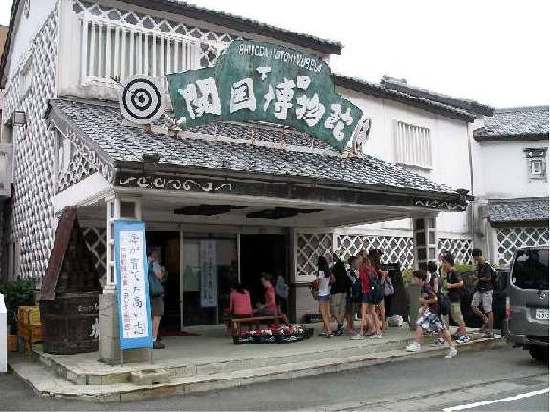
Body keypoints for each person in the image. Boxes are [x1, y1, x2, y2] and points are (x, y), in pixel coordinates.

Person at [406, 270, 457, 359]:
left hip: (433, 310)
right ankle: (452, 348)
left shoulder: (426, 286)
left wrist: (425, 302)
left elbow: (435, 299)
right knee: (443, 328)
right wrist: (424, 308)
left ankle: (416, 344)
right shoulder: (423, 286)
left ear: (420, 279)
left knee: (419, 323)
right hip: (434, 310)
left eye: (415, 278)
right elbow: (429, 299)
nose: (413, 280)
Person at [441, 253, 469, 343]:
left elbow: (461, 283)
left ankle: (464, 335)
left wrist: (451, 285)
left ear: (449, 262)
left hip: (455, 297)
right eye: (442, 262)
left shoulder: (454, 272)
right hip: (449, 297)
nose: (443, 264)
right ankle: (457, 333)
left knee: (458, 317)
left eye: (444, 262)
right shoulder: (447, 272)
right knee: (453, 316)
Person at [471, 249, 496, 337]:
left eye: (474, 257)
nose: (474, 259)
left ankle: (490, 330)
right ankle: (484, 318)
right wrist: (475, 277)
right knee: (473, 306)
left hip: (487, 290)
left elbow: (488, 278)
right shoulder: (479, 265)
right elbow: (478, 275)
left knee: (488, 310)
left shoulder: (487, 265)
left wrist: (478, 279)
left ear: (478, 256)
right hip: (479, 289)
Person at [148, 249, 166, 349]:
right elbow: (160, 276)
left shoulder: (144, 262)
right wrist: (163, 270)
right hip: (155, 293)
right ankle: (153, 340)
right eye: (156, 252)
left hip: (148, 293)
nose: (158, 254)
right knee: (157, 316)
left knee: (151, 317)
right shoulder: (153, 263)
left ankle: (150, 338)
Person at [330, 252, 350, 336]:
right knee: (341, 311)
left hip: (336, 291)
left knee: (334, 310)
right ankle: (339, 328)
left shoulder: (334, 268)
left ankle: (340, 325)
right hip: (344, 291)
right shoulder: (343, 268)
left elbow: (333, 280)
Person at [317, 256, 333, 337]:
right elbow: (333, 279)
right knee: (327, 313)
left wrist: (317, 287)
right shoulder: (328, 271)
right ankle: (326, 329)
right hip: (327, 293)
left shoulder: (321, 272)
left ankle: (329, 330)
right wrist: (328, 283)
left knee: (323, 313)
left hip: (321, 293)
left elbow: (319, 283)